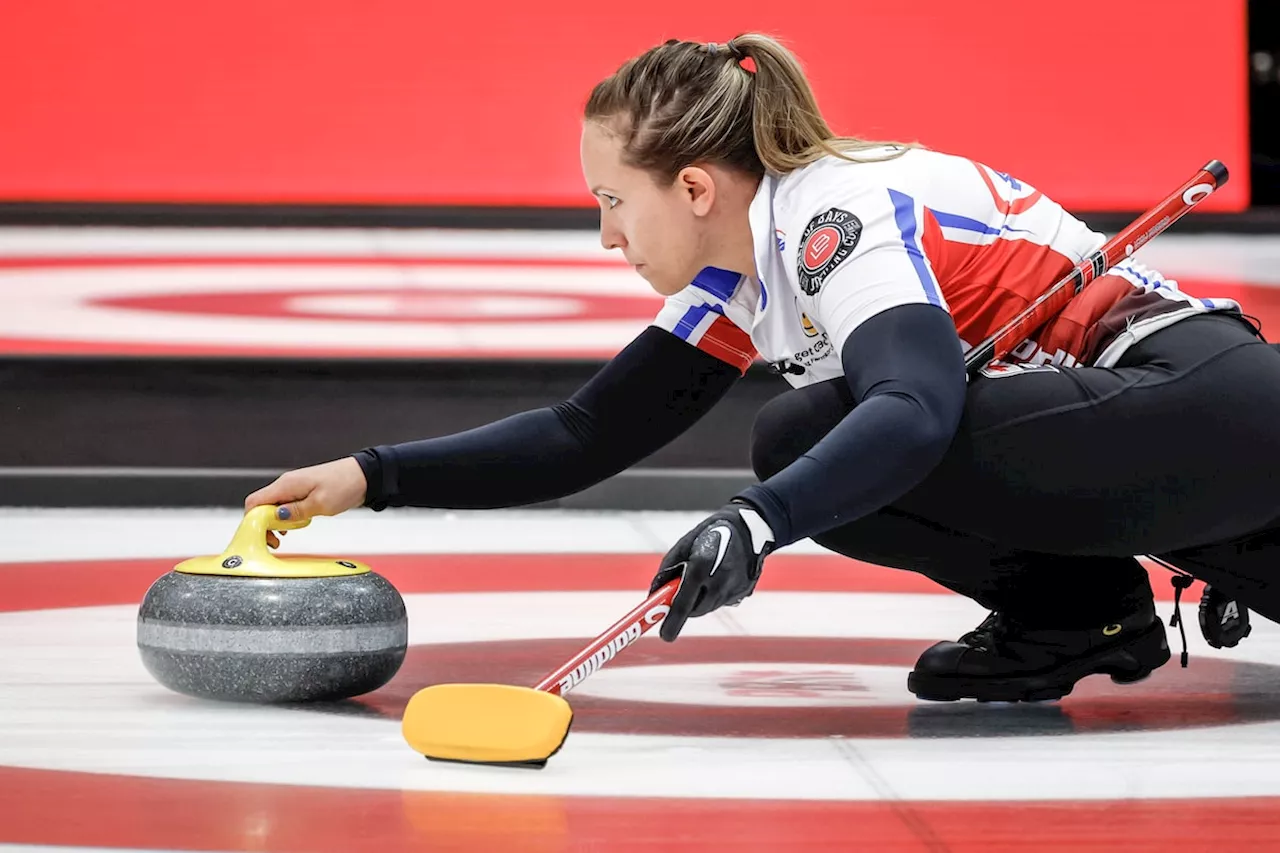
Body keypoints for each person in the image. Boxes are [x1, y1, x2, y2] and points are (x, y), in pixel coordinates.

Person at [246, 34, 1280, 703]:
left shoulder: (831, 215)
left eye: (610, 201)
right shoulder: (739, 276)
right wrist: (371, 476)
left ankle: (1076, 607)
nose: (604, 236)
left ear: (693, 186)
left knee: (807, 439)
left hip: (1201, 400)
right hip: (1170, 444)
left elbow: (916, 408)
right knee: (809, 441)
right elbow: (584, 435)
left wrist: (753, 521)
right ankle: (1078, 615)